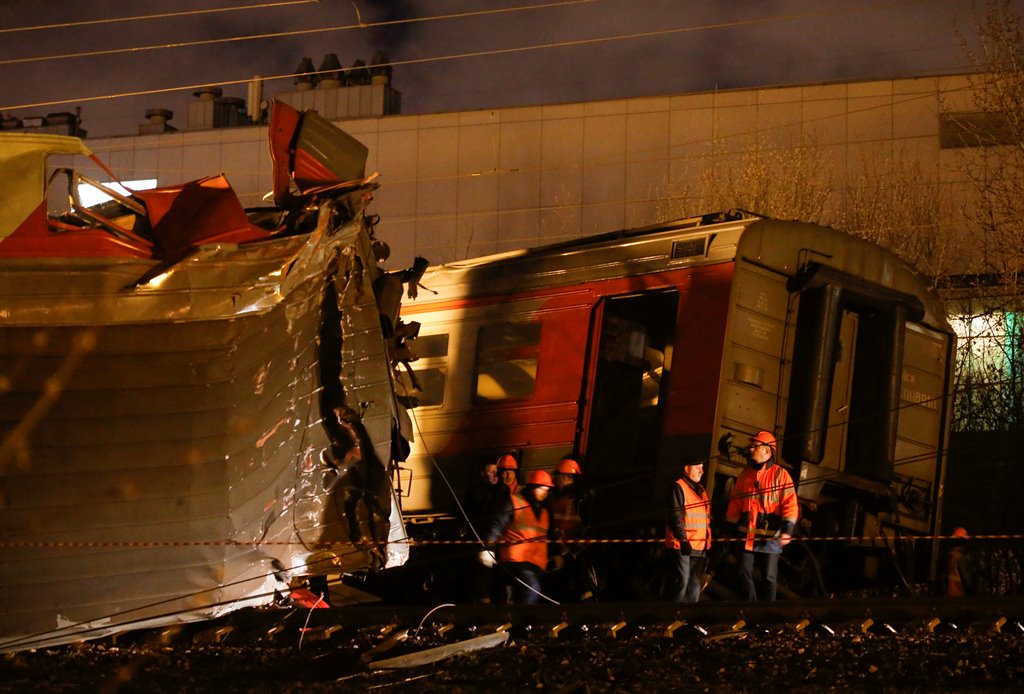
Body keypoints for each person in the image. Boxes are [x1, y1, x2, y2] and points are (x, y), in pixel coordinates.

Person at [725, 430, 799, 601]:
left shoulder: (781, 475)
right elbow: (735, 502)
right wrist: (729, 525)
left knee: (768, 577)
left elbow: (790, 503)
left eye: (755, 446)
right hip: (748, 534)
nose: (751, 449)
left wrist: (788, 529)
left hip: (770, 536)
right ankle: (752, 609)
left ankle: (767, 614)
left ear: (767, 451)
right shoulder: (745, 475)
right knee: (742, 572)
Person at [486, 469, 554, 604]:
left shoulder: (545, 512)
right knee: (532, 588)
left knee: (538, 590)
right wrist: (487, 548)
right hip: (515, 560)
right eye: (541, 489)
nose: (544, 493)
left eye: (546, 490)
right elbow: (497, 524)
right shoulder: (514, 502)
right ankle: (524, 620)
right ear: (532, 488)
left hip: (537, 563)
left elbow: (546, 537)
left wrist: (555, 554)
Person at [548, 456, 596, 601]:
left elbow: (587, 523)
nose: (556, 480)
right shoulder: (555, 498)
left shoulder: (581, 498)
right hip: (561, 546)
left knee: (579, 581)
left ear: (567, 478)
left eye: (559, 477)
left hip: (575, 547)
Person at [665, 456, 711, 602]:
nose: (701, 471)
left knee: (694, 586)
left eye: (702, 468)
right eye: (698, 467)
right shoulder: (678, 487)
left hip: (699, 546)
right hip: (682, 545)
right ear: (686, 468)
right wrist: (683, 539)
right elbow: (675, 516)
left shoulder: (702, 490)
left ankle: (687, 619)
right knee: (682, 582)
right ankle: (672, 616)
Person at [464, 459, 511, 603]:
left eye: (497, 470)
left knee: (499, 574)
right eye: (491, 471)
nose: (495, 474)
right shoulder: (475, 491)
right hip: (481, 537)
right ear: (483, 474)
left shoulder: (503, 490)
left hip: (499, 538)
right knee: (482, 573)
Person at [944, 526, 975, 596]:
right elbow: (968, 583)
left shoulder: (949, 556)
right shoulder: (961, 559)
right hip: (959, 597)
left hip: (948, 596)